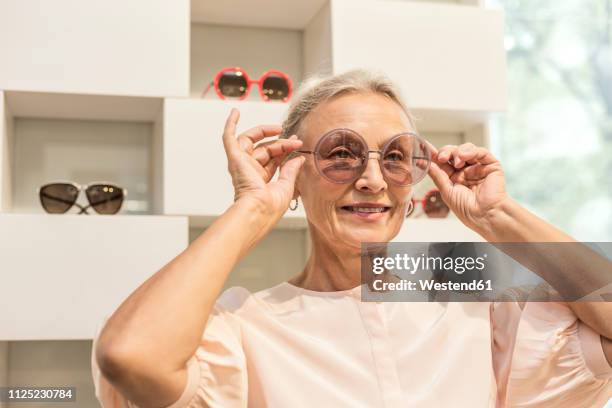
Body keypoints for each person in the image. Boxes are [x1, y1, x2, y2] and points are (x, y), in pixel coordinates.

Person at [91, 69, 611, 407]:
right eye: (340, 153)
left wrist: (497, 216)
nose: (372, 178)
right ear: (295, 176)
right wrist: (251, 208)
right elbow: (131, 356)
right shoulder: (245, 329)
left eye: (393, 156)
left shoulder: (480, 312)